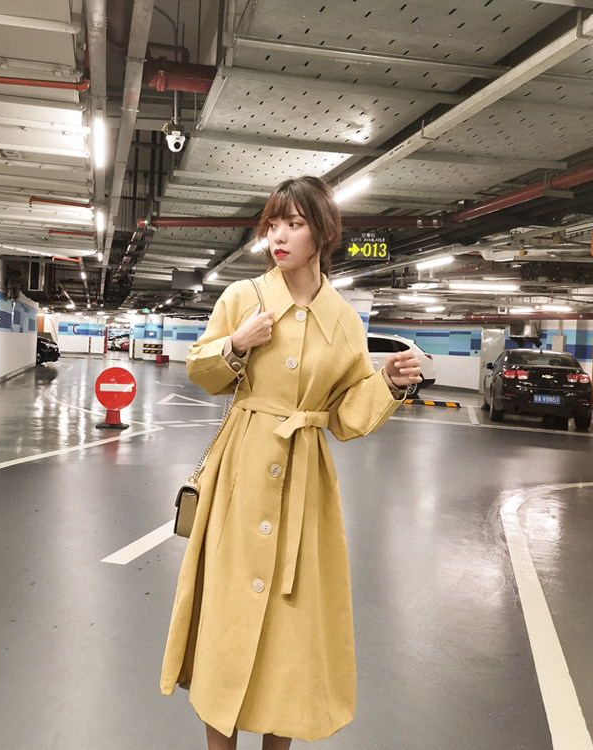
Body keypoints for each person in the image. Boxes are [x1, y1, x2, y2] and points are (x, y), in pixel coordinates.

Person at [161, 175, 421, 749]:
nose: (278, 236)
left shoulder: (344, 319)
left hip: (305, 478)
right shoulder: (243, 298)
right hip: (240, 468)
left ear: (321, 233)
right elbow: (201, 369)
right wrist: (236, 344)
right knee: (227, 617)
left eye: (294, 224)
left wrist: (387, 383)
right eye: (273, 224)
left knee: (291, 628)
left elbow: (345, 416)